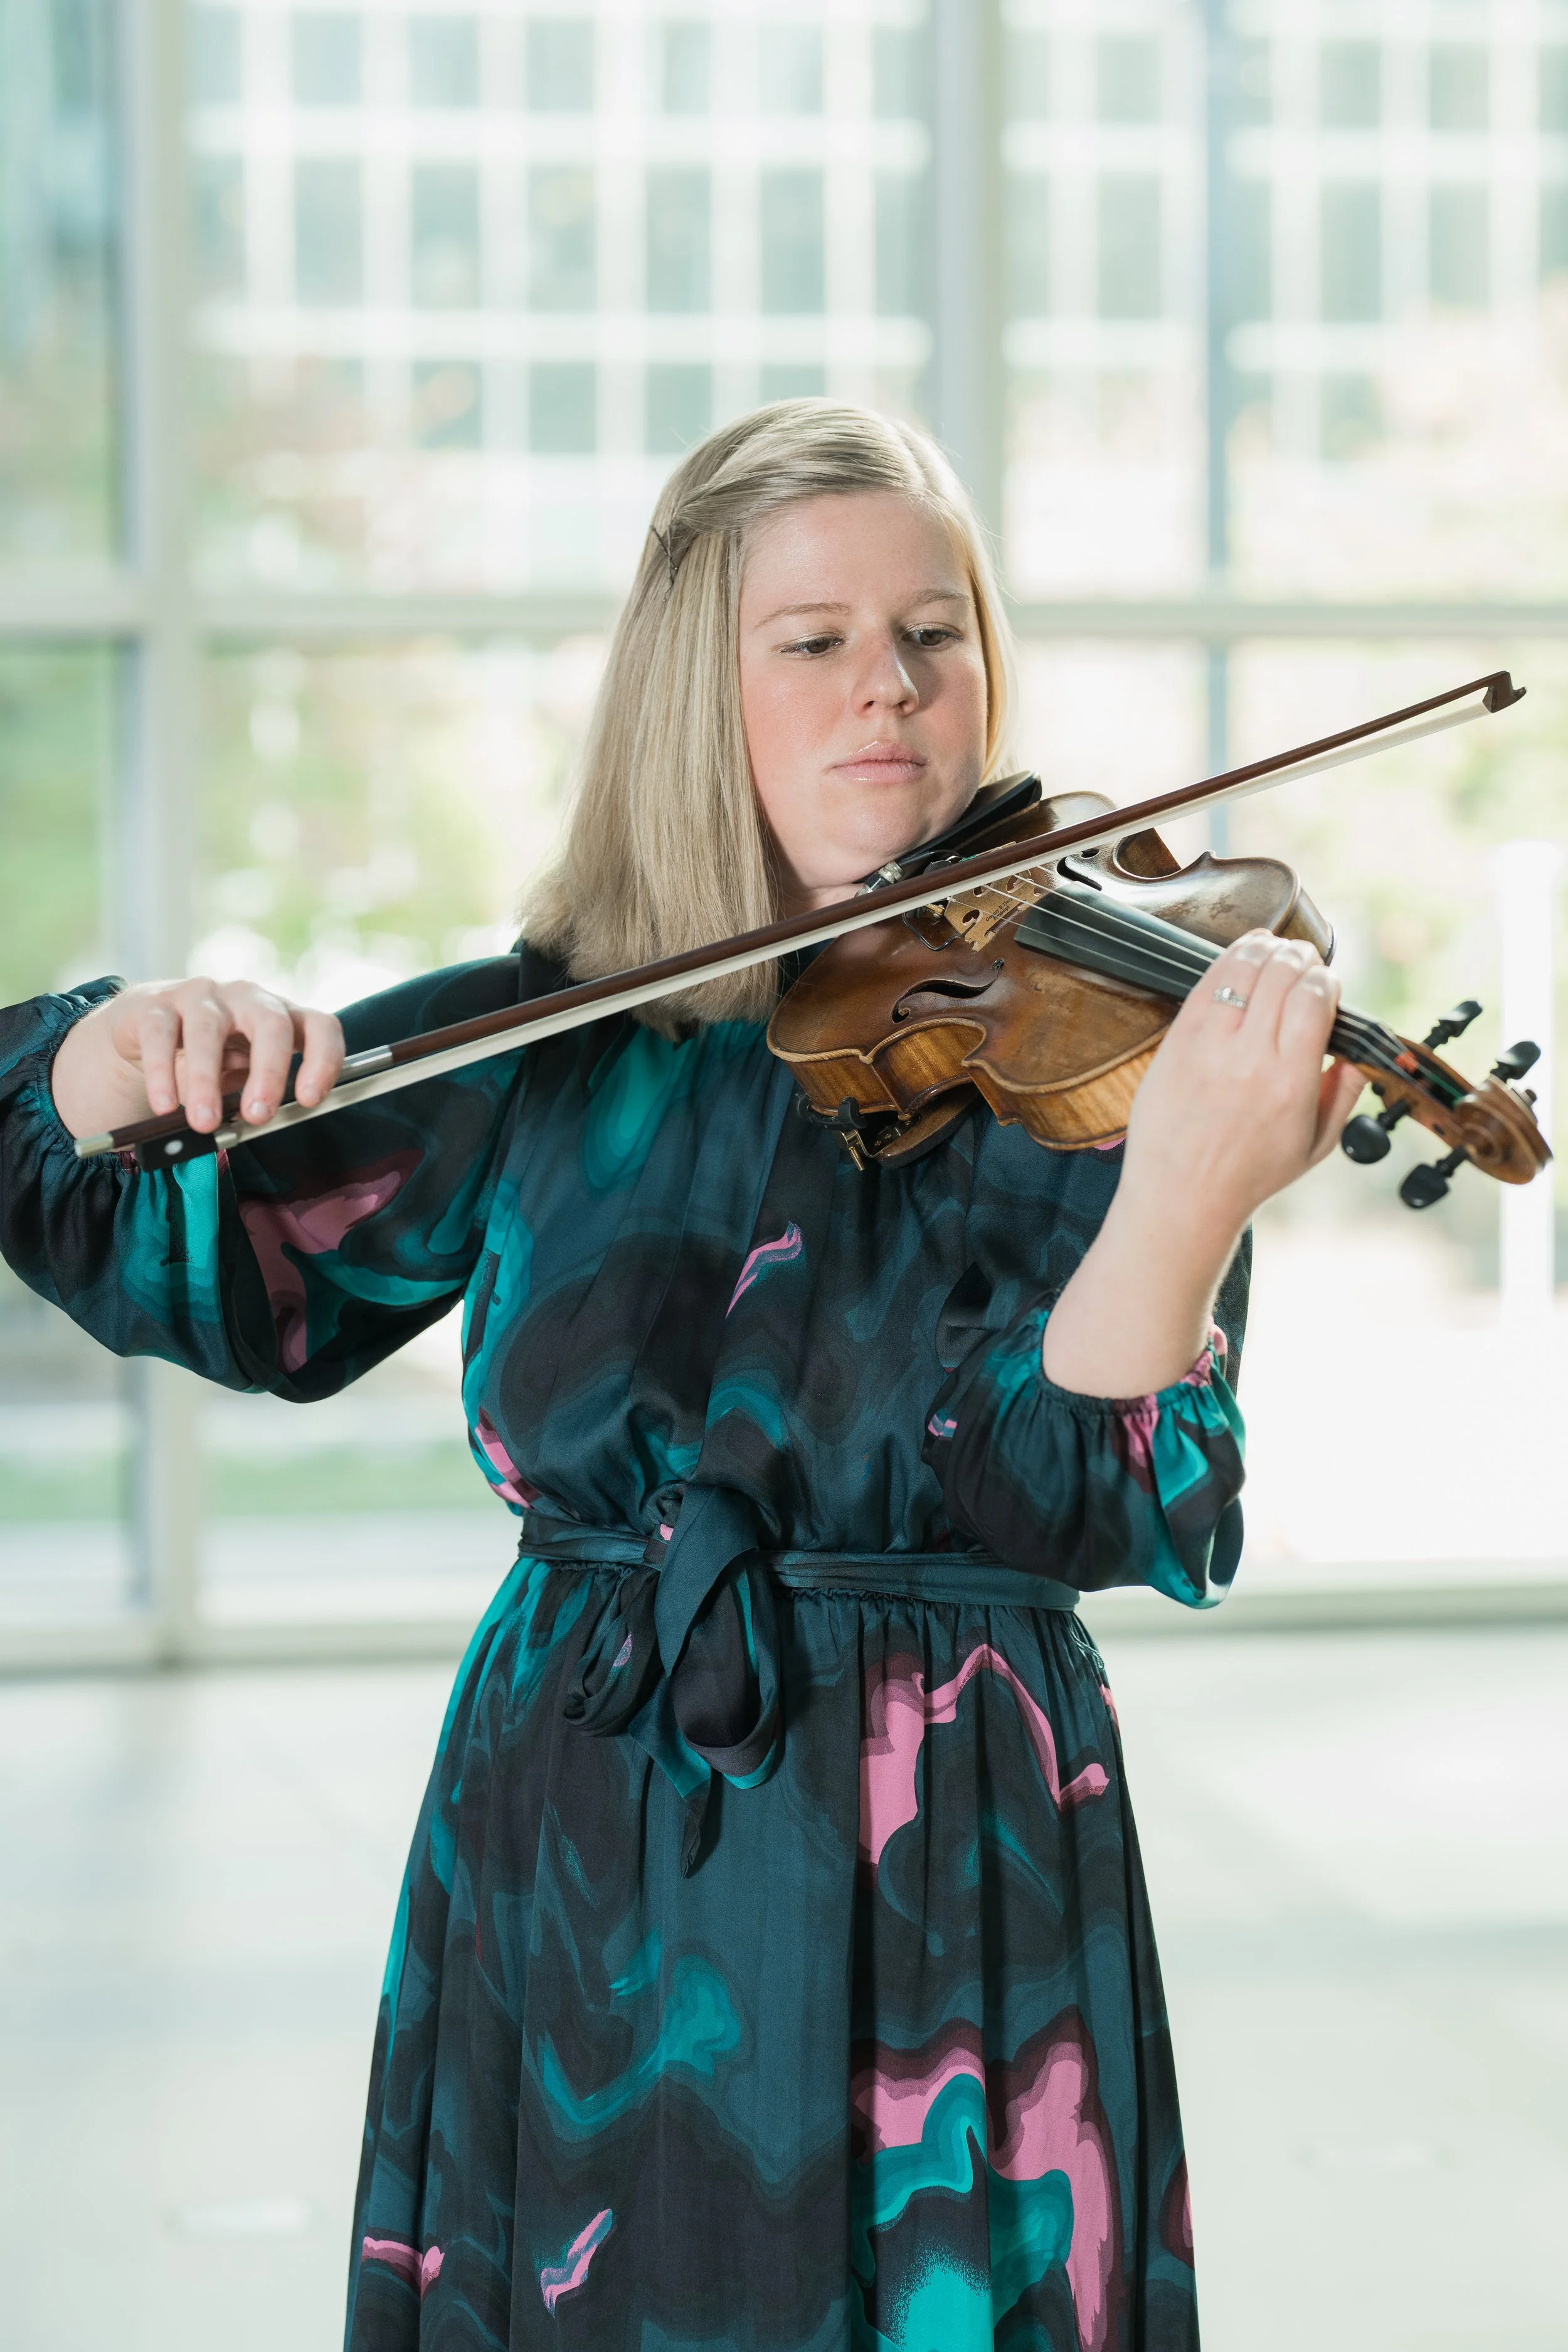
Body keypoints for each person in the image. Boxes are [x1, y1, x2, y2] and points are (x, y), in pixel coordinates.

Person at [0, 403, 1360, 2351]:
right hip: (579, 1834)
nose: (884, 686)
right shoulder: (552, 1035)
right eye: (808, 639)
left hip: (945, 1848)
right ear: (690, 693)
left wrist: (1188, 1200)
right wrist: (98, 1059)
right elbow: (209, 1270)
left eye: (932, 630)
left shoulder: (1108, 1053)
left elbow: (1114, 1491)